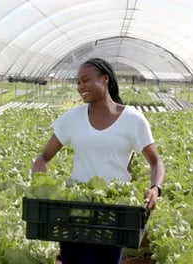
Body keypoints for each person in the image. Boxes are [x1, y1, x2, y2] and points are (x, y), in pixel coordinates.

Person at [31, 58, 166, 264]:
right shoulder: (72, 119)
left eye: (85, 80)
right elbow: (44, 157)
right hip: (77, 211)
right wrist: (40, 187)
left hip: (113, 214)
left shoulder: (133, 120)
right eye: (78, 82)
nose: (80, 86)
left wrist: (155, 188)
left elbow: (156, 162)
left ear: (105, 79)